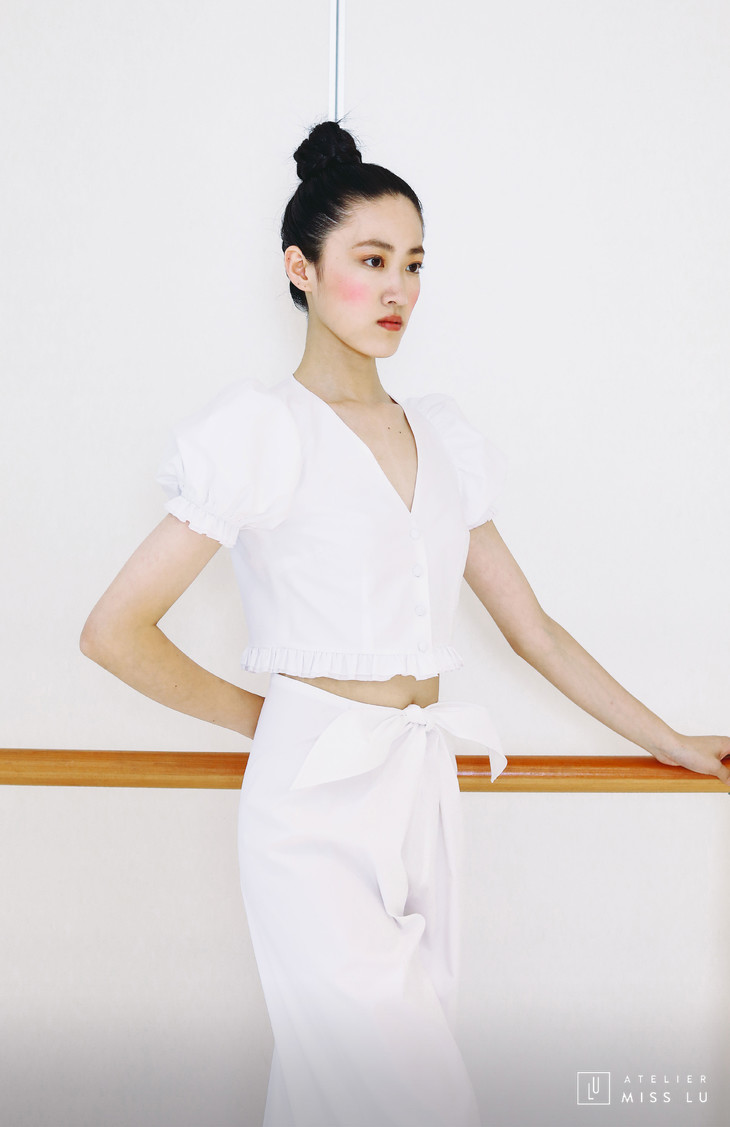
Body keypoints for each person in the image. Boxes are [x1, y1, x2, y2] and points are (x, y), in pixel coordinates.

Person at [80, 120, 730, 1127]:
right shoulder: (263, 431)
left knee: (349, 1092)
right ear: (300, 268)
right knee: (406, 1092)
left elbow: (534, 630)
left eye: (414, 264)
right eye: (372, 260)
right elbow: (115, 630)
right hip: (311, 801)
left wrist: (673, 741)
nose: (398, 290)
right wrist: (273, 720)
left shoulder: (441, 435)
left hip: (423, 785)